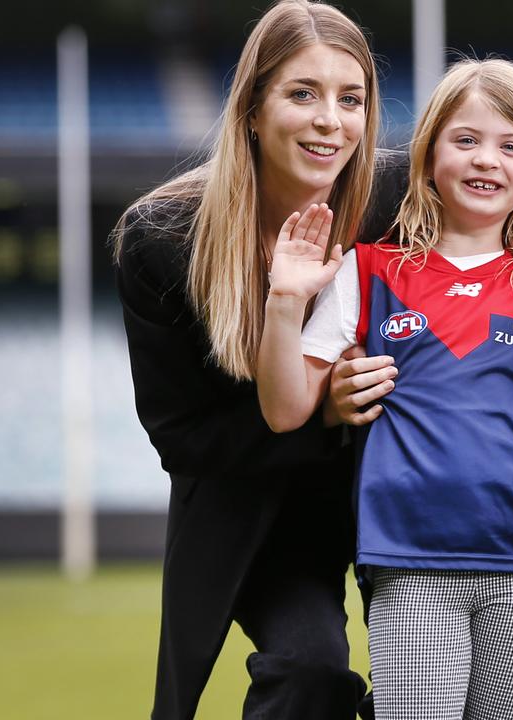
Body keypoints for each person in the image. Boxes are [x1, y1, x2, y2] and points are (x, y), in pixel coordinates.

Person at [255, 58, 513, 720]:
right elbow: (283, 410)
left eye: (511, 146)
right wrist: (284, 302)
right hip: (412, 560)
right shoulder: (370, 270)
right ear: (427, 157)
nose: (487, 160)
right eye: (467, 139)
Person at [111, 2, 387, 718]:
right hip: (268, 513)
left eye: (350, 99)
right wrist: (320, 411)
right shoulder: (162, 239)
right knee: (312, 670)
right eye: (303, 93)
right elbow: (184, 437)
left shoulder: (395, 200)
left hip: (402, 495)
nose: (331, 120)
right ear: (253, 111)